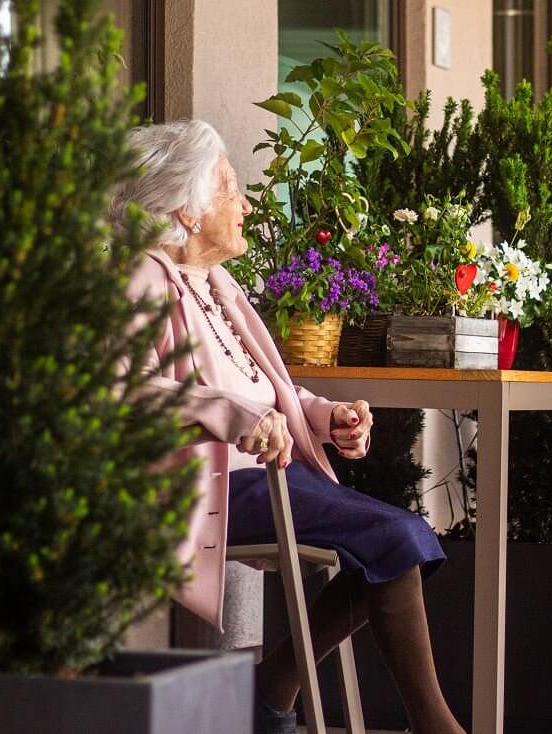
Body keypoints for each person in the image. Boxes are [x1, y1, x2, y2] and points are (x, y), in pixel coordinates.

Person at [109, 120, 464, 734]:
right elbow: (123, 390)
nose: (244, 205)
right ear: (186, 212)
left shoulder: (216, 285)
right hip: (205, 488)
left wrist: (322, 416)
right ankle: (426, 724)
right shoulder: (143, 277)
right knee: (393, 537)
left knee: (393, 540)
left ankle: (274, 685)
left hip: (268, 475)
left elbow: (257, 385)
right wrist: (233, 417)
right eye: (228, 189)